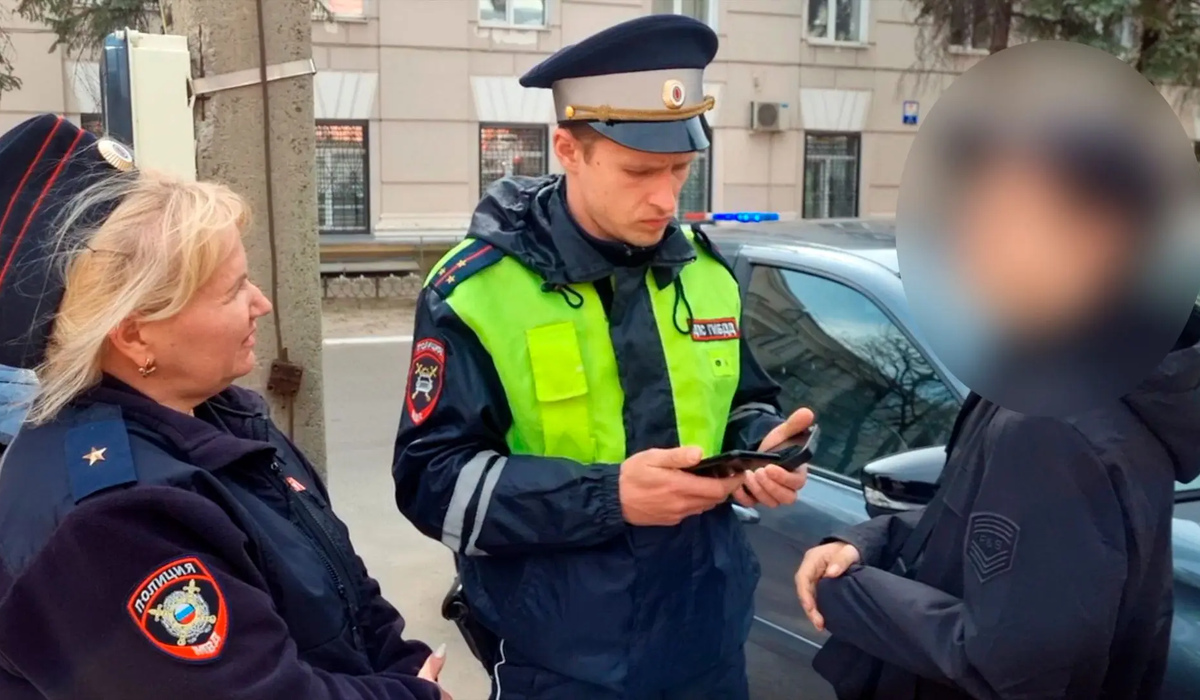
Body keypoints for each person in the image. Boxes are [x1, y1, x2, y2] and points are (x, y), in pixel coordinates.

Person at [391, 14, 813, 700]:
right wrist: (608, 497)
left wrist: (759, 449)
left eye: (681, 169)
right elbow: (432, 482)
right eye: (639, 171)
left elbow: (742, 400)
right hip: (560, 663)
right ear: (568, 148)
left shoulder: (706, 274)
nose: (666, 198)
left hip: (707, 644)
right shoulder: (473, 292)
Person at [0, 114, 451, 700]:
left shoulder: (221, 415)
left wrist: (407, 669)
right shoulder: (110, 519)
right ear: (135, 335)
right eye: (233, 289)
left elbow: (349, 590)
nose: (261, 303)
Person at [794, 121, 1200, 700]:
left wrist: (848, 593)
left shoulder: (1053, 424)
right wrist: (872, 539)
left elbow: (1011, 668)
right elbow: (980, 531)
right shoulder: (1079, 370)